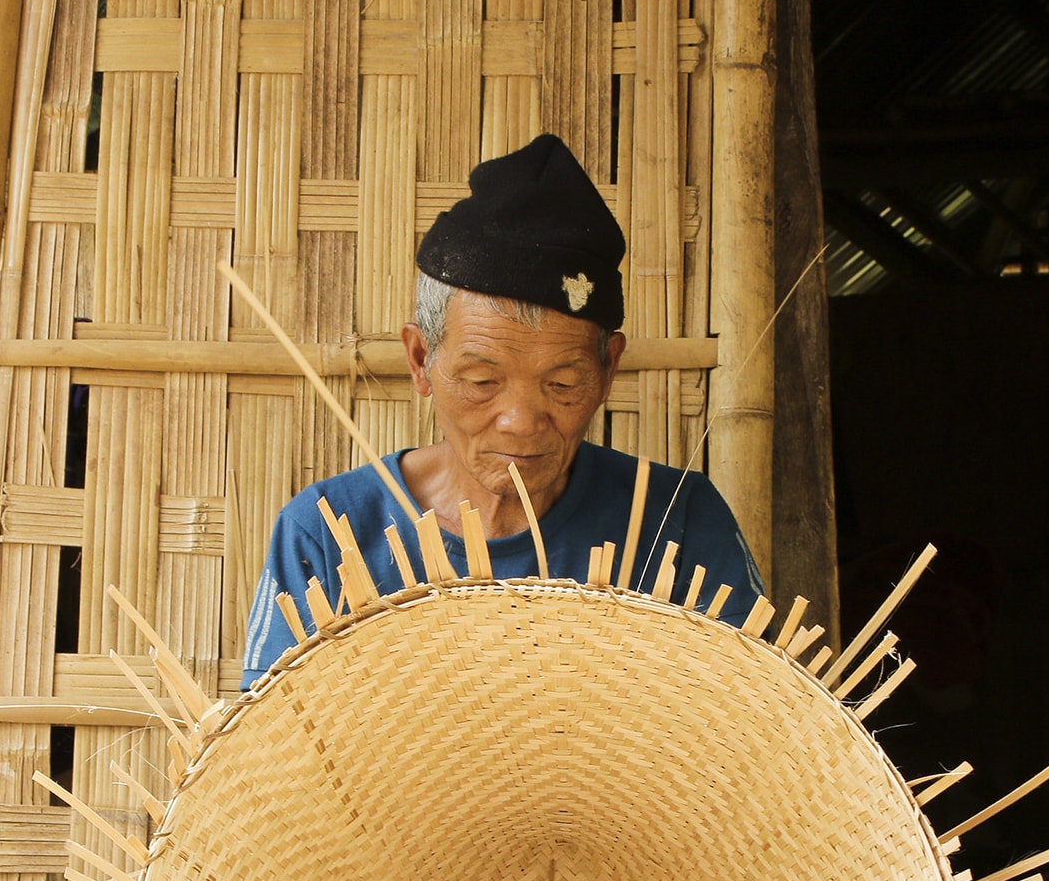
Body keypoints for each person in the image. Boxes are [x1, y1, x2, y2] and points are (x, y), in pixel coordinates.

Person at [241, 133, 765, 688]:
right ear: (421, 361)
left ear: (608, 370)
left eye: (562, 384)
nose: (521, 420)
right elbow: (274, 743)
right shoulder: (330, 532)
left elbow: (749, 729)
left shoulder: (677, 521)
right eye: (483, 380)